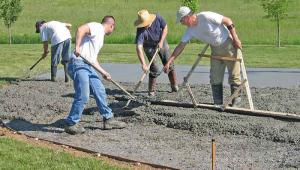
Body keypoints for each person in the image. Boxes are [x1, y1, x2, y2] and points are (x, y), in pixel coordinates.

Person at [163, 6, 243, 107]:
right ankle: (217, 103)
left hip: (229, 45)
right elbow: (180, 46)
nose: (181, 23)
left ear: (187, 17)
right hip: (215, 50)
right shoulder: (190, 30)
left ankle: (236, 102)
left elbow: (227, 20)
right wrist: (169, 61)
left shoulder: (206, 16)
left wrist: (235, 39)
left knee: (234, 76)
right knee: (215, 77)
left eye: (181, 20)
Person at [64, 16, 126, 135]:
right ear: (111, 25)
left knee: (100, 90)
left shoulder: (99, 37)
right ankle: (71, 123)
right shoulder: (97, 27)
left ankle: (108, 119)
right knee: (83, 94)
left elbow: (92, 59)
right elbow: (81, 29)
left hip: (87, 65)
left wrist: (103, 72)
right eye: (113, 28)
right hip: (78, 63)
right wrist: (77, 47)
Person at [134, 9, 178, 96]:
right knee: (154, 68)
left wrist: (161, 42)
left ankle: (174, 86)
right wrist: (143, 64)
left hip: (161, 40)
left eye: (146, 24)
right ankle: (151, 91)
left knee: (169, 63)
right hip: (148, 46)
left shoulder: (157, 17)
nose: (144, 26)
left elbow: (165, 27)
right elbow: (139, 47)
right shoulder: (140, 31)